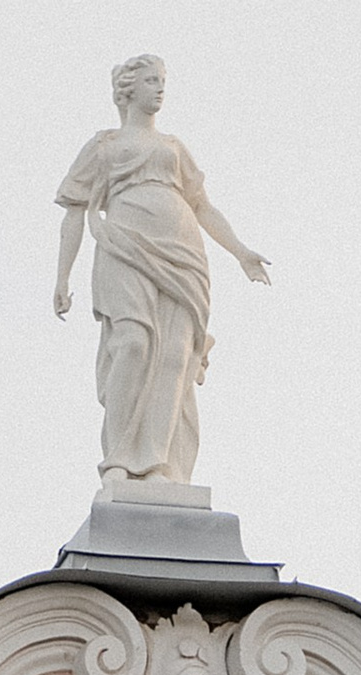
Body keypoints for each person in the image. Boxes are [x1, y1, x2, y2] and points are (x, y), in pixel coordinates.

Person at [53, 54, 269, 493]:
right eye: (151, 81)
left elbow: (203, 206)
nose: (159, 88)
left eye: (162, 81)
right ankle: (118, 460)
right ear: (128, 89)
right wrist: (63, 277)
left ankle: (156, 462)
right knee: (131, 343)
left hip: (183, 253)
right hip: (124, 247)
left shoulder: (172, 147)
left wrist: (241, 252)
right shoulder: (104, 145)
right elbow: (74, 212)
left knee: (174, 357)